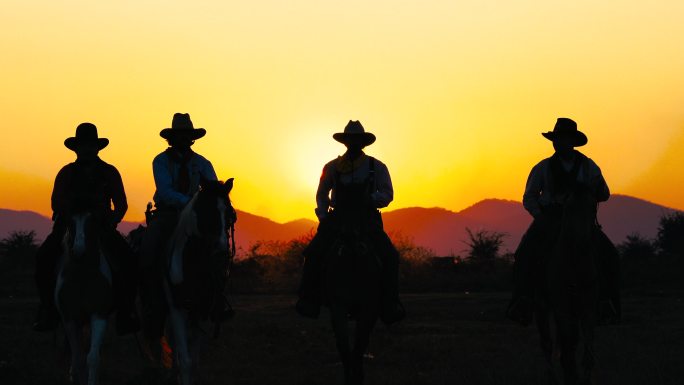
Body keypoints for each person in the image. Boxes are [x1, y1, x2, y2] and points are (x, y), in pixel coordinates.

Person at [507, 117, 620, 326]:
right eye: (556, 138)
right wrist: (540, 217)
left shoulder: (589, 167)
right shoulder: (543, 167)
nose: (558, 142)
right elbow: (529, 197)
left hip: (581, 219)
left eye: (562, 138)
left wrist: (590, 193)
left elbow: (604, 193)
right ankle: (522, 302)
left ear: (572, 141)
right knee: (524, 253)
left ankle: (607, 302)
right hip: (550, 218)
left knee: (610, 254)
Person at [33, 123, 139, 335]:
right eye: (83, 146)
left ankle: (125, 313)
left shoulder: (109, 172)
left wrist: (110, 220)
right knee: (43, 258)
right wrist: (73, 210)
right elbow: (55, 201)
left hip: (101, 226)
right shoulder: (67, 172)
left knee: (129, 261)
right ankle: (48, 309)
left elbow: (121, 204)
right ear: (76, 149)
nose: (87, 149)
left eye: (91, 145)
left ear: (97, 148)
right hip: (68, 226)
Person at [296, 120, 405, 324]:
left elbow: (388, 194)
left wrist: (371, 200)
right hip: (338, 218)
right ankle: (309, 299)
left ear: (363, 143)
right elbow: (321, 195)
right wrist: (324, 217)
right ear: (345, 143)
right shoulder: (331, 167)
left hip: (367, 218)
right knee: (313, 253)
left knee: (390, 256)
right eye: (350, 140)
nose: (353, 144)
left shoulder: (377, 166)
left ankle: (390, 303)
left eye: (357, 141)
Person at [139, 113, 235, 341]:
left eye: (187, 135)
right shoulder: (160, 161)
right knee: (149, 248)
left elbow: (211, 188)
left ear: (192, 138)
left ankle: (216, 301)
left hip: (194, 216)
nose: (183, 139)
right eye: (179, 135)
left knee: (216, 251)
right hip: (167, 214)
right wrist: (190, 203)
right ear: (172, 138)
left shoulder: (201, 163)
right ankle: (150, 299)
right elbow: (165, 191)